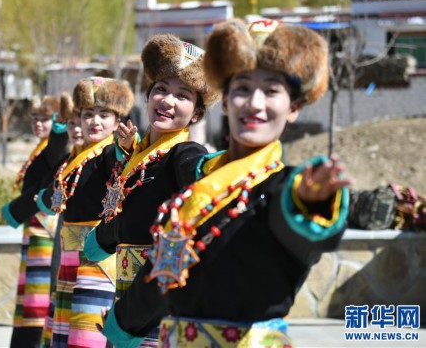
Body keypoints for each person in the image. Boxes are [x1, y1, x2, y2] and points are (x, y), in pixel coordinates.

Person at [101, 20, 354, 347]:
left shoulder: (282, 189)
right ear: (227, 98)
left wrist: (310, 200)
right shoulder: (193, 198)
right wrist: (121, 323)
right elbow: (161, 276)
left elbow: (296, 222)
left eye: (272, 91)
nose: (254, 103)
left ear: (294, 107)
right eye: (243, 88)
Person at [83, 34, 220, 346]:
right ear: (148, 97)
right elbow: (128, 214)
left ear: (196, 113)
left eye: (183, 95)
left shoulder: (184, 153)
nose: (167, 101)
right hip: (126, 294)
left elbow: (197, 171)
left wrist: (208, 172)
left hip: (158, 307)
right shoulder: (140, 157)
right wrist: (102, 239)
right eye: (161, 89)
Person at [29, 76, 133, 348]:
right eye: (89, 114)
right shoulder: (79, 155)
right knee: (64, 333)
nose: (95, 121)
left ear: (117, 120)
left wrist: (127, 147)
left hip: (95, 260)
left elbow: (121, 159)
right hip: (70, 258)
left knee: (86, 337)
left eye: (104, 114)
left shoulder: (111, 152)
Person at [2, 94, 72, 348]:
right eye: (35, 118)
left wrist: (59, 127)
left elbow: (57, 146)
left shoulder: (55, 148)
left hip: (45, 228)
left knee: (39, 298)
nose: (38, 123)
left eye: (45, 118)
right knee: (31, 298)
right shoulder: (40, 147)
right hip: (34, 229)